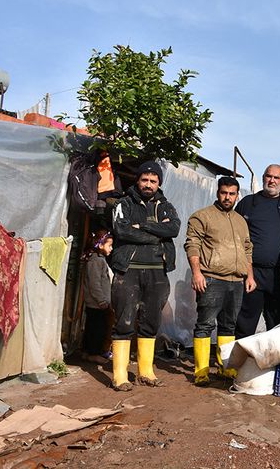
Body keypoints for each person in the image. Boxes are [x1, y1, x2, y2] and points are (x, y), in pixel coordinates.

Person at [110, 161, 181, 390]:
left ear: (159, 183)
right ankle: (119, 375)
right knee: (124, 321)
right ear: (137, 180)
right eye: (144, 180)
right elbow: (121, 229)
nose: (148, 184)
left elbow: (174, 229)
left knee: (151, 321)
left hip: (157, 272)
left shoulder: (166, 206)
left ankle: (145, 371)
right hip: (128, 270)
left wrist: (142, 227)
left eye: (153, 181)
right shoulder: (124, 203)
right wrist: (156, 232)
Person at [185, 176, 255, 386]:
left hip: (236, 281)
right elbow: (192, 245)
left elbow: (247, 249)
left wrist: (249, 275)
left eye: (232, 193)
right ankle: (201, 372)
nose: (227, 197)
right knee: (205, 324)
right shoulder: (202, 216)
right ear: (218, 192)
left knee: (228, 326)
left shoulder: (240, 220)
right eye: (224, 192)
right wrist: (197, 273)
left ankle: (225, 368)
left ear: (236, 195)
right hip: (212, 279)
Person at [234, 164, 280, 338]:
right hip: (252, 273)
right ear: (263, 178)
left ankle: (276, 364)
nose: (272, 180)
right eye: (269, 176)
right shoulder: (247, 203)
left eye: (276, 178)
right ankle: (239, 363)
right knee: (245, 322)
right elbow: (235, 235)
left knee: (279, 324)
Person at [81, 229, 114, 365]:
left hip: (99, 303)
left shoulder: (100, 260)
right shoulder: (96, 261)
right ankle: (92, 354)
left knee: (95, 328)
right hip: (96, 304)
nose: (111, 248)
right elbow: (94, 284)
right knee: (96, 329)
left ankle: (89, 352)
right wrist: (101, 300)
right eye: (109, 245)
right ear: (100, 245)